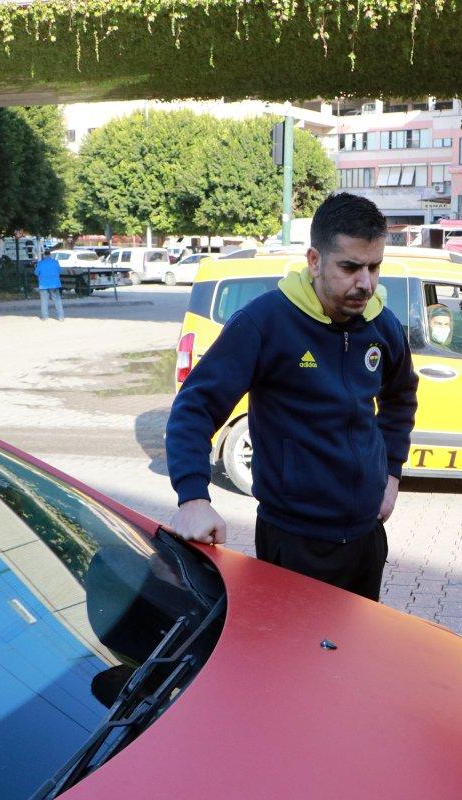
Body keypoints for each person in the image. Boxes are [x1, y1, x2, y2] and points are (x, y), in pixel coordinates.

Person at [165, 193, 418, 601]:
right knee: (294, 658)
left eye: (374, 267)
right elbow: (196, 406)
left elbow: (401, 398)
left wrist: (390, 473)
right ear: (314, 260)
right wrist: (193, 497)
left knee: (351, 656)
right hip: (294, 541)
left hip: (366, 537)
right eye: (350, 267)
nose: (366, 283)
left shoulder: (382, 324)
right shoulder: (264, 323)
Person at [34, 248, 64, 321]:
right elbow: (60, 271)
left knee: (44, 301)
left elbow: (36, 273)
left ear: (44, 255)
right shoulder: (55, 262)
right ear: (50, 254)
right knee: (57, 300)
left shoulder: (40, 263)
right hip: (55, 284)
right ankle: (61, 317)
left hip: (43, 284)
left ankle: (45, 317)